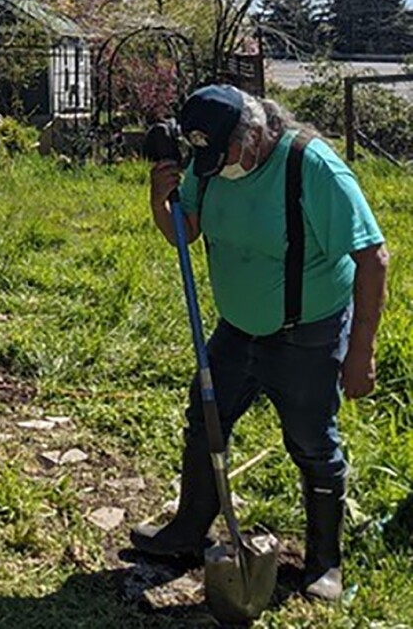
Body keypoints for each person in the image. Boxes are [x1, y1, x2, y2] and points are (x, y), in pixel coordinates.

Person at [132, 84, 388, 602]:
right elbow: (186, 232)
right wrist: (162, 202)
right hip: (237, 327)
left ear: (252, 135)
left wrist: (361, 352)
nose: (210, 164)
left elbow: (372, 257)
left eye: (220, 151)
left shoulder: (311, 168)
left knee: (312, 442)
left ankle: (323, 563)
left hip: (307, 333)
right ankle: (188, 529)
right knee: (206, 419)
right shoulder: (211, 165)